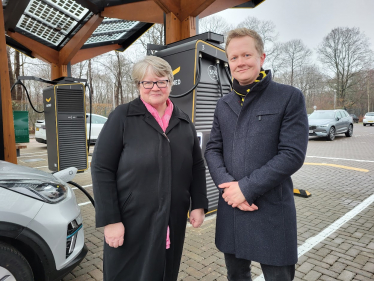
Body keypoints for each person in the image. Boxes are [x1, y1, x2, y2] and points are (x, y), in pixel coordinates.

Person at [204, 28, 309, 281]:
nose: (240, 62)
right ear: (228, 62)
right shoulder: (223, 104)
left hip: (271, 211)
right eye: (234, 57)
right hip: (232, 209)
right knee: (236, 275)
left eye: (247, 55)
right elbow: (212, 149)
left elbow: (292, 154)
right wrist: (230, 189)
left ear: (262, 57)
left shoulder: (288, 97)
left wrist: (246, 189)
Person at [91, 56, 208, 281]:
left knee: (165, 272)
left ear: (170, 84)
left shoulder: (184, 122)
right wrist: (110, 220)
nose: (155, 87)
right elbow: (101, 168)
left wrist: (198, 205)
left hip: (172, 220)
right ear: (139, 86)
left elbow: (196, 165)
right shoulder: (122, 117)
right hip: (131, 221)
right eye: (148, 82)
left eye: (161, 81)